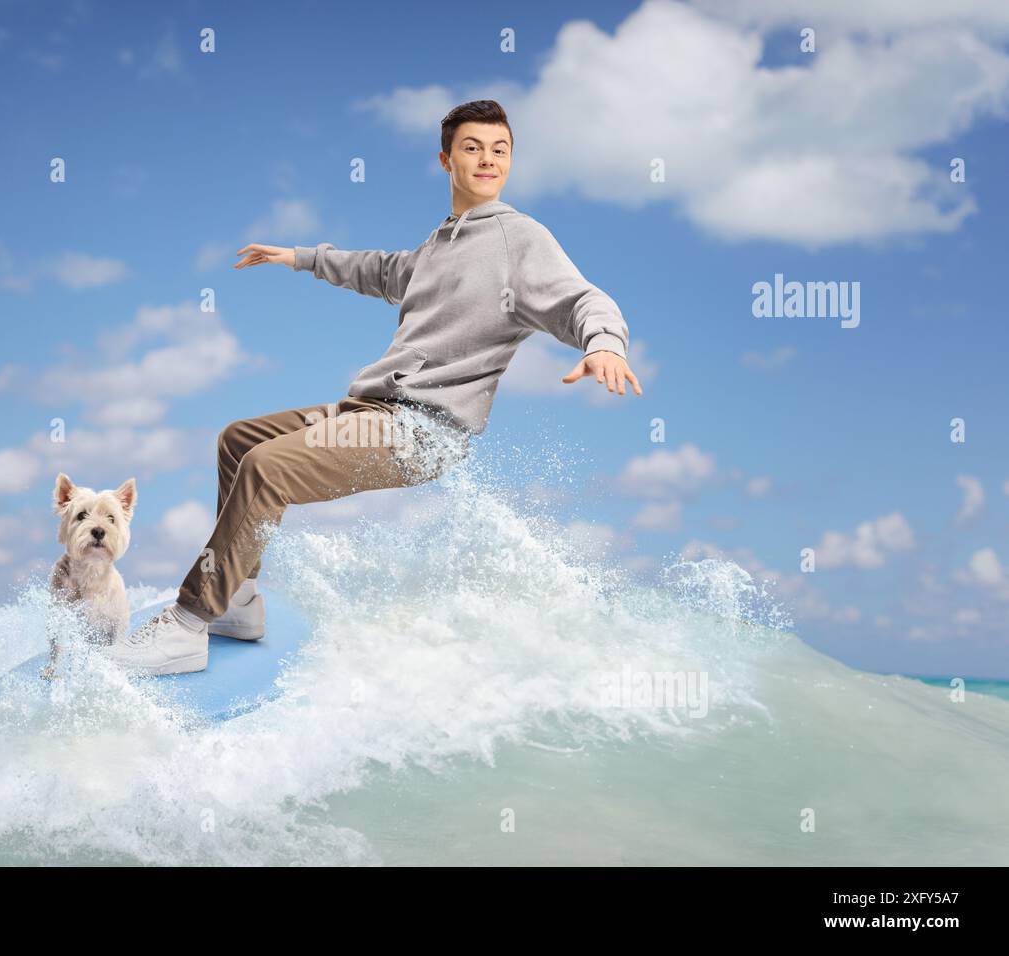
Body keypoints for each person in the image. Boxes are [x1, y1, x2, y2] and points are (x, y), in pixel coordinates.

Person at [106, 99, 642, 676]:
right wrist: (301, 257)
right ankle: (237, 601)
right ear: (446, 160)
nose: (488, 160)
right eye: (473, 148)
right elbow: (382, 271)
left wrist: (604, 343)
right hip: (369, 410)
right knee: (239, 441)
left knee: (267, 467)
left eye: (500, 150)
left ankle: (189, 625)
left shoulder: (520, 239)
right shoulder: (442, 244)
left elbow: (582, 297)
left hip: (422, 429)